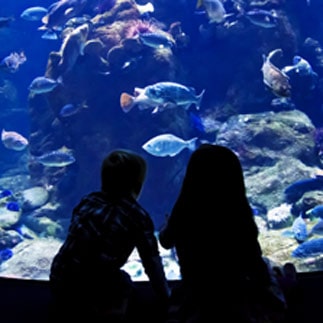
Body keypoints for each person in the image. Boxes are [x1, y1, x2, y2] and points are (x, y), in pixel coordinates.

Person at [159, 144, 287, 323]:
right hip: (235, 298)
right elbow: (254, 260)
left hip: (195, 296)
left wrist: (167, 226)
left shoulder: (184, 210)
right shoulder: (238, 213)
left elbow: (165, 241)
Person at [49, 149, 170, 322]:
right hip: (93, 287)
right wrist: (166, 297)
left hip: (59, 275)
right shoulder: (137, 216)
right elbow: (152, 262)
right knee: (124, 282)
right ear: (138, 185)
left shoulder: (88, 200)